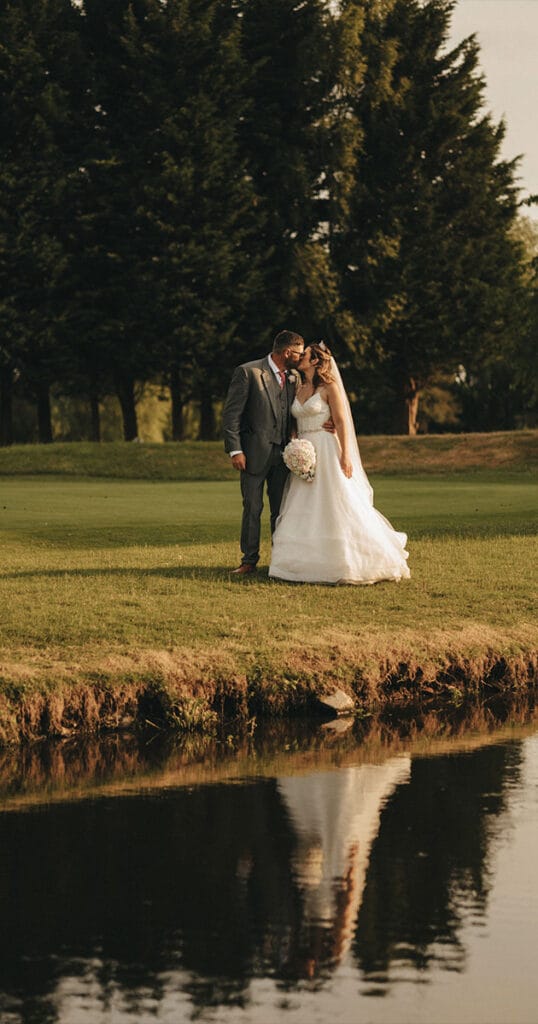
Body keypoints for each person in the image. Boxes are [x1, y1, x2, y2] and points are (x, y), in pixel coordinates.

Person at [269, 342, 410, 584]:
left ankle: (350, 559)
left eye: (305, 355)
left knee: (334, 501)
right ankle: (299, 563)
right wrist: (295, 444)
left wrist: (345, 454)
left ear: (315, 361)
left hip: (326, 448)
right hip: (304, 450)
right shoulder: (298, 386)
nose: (300, 357)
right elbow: (293, 419)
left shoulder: (329, 387)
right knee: (304, 504)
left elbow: (342, 421)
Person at [222, 330, 306, 575]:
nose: (301, 359)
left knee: (280, 511)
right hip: (252, 454)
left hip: (284, 457)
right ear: (287, 352)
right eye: (299, 354)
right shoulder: (249, 372)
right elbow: (231, 415)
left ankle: (279, 560)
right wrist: (235, 449)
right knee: (253, 507)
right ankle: (249, 561)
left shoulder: (294, 377)